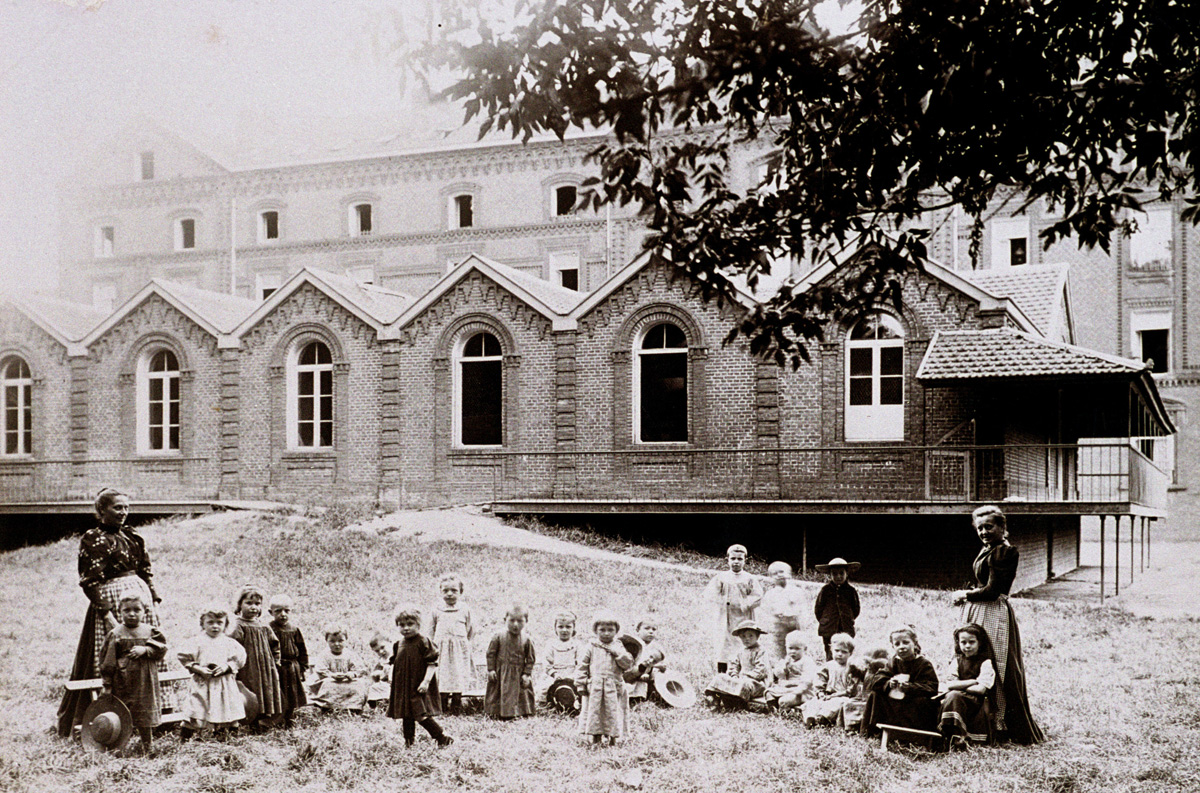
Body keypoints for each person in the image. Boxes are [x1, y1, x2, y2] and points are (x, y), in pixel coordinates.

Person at [58, 488, 172, 737]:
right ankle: (111, 715)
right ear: (101, 511)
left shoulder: (132, 536)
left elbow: (145, 569)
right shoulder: (94, 538)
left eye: (126, 508)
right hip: (111, 600)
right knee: (115, 653)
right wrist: (107, 613)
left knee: (146, 649)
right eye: (117, 508)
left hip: (140, 602)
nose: (123, 513)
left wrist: (153, 598)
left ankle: (153, 714)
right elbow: (90, 581)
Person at [951, 505, 1045, 744]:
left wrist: (966, 594)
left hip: (993, 613)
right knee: (971, 658)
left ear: (1002, 527)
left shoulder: (1005, 552)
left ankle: (999, 723)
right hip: (980, 610)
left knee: (995, 663)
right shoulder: (988, 550)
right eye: (980, 527)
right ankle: (970, 716)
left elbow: (994, 591)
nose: (983, 531)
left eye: (989, 527)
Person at [98, 595, 167, 754]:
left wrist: (146, 650)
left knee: (145, 714)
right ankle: (120, 747)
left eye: (137, 610)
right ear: (119, 612)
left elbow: (161, 649)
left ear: (145, 611)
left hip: (145, 681)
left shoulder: (150, 631)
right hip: (123, 681)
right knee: (122, 713)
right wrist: (107, 684)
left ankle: (148, 747)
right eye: (126, 610)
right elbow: (107, 661)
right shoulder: (116, 633)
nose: (132, 614)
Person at [177, 604, 246, 741]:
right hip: (202, 683)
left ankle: (227, 739)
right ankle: (184, 739)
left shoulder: (229, 643)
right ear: (202, 624)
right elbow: (185, 659)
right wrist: (199, 669)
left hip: (223, 685)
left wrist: (226, 668)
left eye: (219, 623)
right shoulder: (197, 642)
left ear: (226, 624)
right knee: (195, 709)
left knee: (227, 710)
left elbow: (239, 660)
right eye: (210, 622)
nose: (215, 626)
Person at [387, 605, 452, 747]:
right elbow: (393, 663)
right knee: (406, 715)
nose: (406, 628)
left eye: (410, 624)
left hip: (418, 685)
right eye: (401, 625)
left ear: (418, 624)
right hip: (404, 686)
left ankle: (441, 736)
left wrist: (426, 681)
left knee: (420, 714)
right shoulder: (398, 644)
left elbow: (432, 663)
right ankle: (409, 742)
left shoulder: (423, 641)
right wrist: (391, 676)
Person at [860, 626, 939, 736]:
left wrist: (910, 687)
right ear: (893, 646)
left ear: (915, 644)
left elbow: (932, 687)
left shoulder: (923, 664)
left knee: (923, 702)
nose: (901, 647)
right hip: (894, 703)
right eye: (897, 644)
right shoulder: (893, 662)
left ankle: (913, 735)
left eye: (905, 642)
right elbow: (877, 680)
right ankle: (872, 732)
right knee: (875, 695)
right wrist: (889, 684)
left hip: (913, 703)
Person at [228, 584, 282, 730]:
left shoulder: (263, 626)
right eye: (249, 603)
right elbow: (231, 646)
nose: (253, 607)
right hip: (248, 667)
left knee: (265, 690)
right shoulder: (237, 626)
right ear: (239, 605)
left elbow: (274, 644)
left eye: (257, 604)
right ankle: (249, 720)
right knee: (250, 691)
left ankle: (263, 720)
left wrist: (275, 662)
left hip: (265, 666)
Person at [576, 610, 634, 745]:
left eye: (610, 630)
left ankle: (613, 738)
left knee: (613, 712)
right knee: (595, 712)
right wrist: (580, 683)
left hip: (613, 686)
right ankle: (595, 738)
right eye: (602, 630)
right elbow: (582, 665)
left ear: (616, 631)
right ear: (595, 631)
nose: (606, 633)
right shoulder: (591, 646)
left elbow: (627, 665)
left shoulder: (618, 646)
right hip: (596, 686)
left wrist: (617, 653)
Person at [703, 544, 764, 673]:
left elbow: (758, 596)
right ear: (728, 559)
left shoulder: (749, 578)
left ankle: (742, 672)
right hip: (725, 618)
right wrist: (722, 601)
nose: (736, 562)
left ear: (745, 561)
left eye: (739, 559)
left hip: (743, 617)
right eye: (733, 559)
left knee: (742, 642)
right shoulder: (721, 578)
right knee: (723, 646)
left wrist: (747, 603)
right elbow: (710, 594)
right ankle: (722, 676)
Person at [938, 623, 997, 748]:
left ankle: (961, 737)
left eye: (972, 642)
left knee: (954, 695)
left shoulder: (985, 662)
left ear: (979, 643)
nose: (967, 646)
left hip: (976, 702)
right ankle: (947, 735)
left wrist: (958, 685)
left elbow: (981, 689)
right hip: (958, 698)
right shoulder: (957, 661)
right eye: (963, 642)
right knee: (952, 696)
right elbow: (950, 684)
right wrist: (972, 681)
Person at [429, 574, 475, 715]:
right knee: (442, 675)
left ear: (460, 592)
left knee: (458, 675)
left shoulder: (465, 609)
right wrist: (433, 647)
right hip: (441, 649)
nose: (449, 594)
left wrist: (465, 644)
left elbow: (471, 629)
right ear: (440, 591)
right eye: (445, 590)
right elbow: (431, 629)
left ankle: (456, 704)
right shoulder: (436, 609)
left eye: (454, 590)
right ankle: (441, 704)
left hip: (459, 649)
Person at [704, 620, 770, 710]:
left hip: (755, 683)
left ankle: (736, 702)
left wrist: (746, 676)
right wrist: (734, 675)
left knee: (743, 685)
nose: (747, 639)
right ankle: (714, 698)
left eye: (751, 636)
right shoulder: (740, 652)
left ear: (757, 636)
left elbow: (762, 669)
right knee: (720, 677)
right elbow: (734, 665)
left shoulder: (761, 651)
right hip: (740, 679)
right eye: (743, 636)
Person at [485, 605, 537, 719]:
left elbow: (530, 658)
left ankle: (521, 711)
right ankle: (497, 712)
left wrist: (527, 674)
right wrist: (491, 669)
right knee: (498, 692)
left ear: (526, 622)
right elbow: (491, 654)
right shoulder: (498, 636)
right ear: (505, 620)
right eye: (512, 620)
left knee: (521, 693)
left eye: (520, 621)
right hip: (501, 672)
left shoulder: (527, 639)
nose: (515, 624)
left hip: (518, 673)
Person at [801, 633, 861, 727]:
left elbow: (851, 690)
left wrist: (834, 696)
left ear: (850, 653)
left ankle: (822, 719)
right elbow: (820, 679)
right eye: (837, 650)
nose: (840, 654)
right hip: (827, 695)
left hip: (842, 695)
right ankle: (810, 717)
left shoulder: (852, 668)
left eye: (844, 652)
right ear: (831, 650)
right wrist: (820, 692)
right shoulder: (828, 666)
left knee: (838, 704)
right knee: (813, 703)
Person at [267, 594, 308, 728]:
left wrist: (303, 667)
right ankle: (278, 719)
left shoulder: (294, 629)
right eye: (278, 611)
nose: (283, 614)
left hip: (293, 667)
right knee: (280, 693)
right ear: (270, 612)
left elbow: (302, 649)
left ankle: (290, 718)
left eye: (287, 610)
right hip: (278, 667)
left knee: (292, 693)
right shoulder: (269, 629)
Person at [309, 623, 367, 712]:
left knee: (359, 684)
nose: (337, 644)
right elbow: (320, 670)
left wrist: (352, 674)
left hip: (347, 680)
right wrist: (331, 675)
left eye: (340, 641)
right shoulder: (324, 655)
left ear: (346, 640)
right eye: (332, 641)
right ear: (327, 641)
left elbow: (359, 668)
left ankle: (353, 706)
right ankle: (328, 706)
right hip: (330, 680)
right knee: (328, 684)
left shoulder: (350, 654)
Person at [813, 558, 861, 661]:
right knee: (830, 649)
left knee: (845, 649)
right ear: (830, 575)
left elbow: (856, 609)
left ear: (846, 574)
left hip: (845, 627)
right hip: (829, 627)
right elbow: (818, 609)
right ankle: (830, 670)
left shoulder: (850, 591)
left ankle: (845, 670)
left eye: (841, 573)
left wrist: (848, 618)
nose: (838, 576)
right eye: (834, 574)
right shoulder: (825, 590)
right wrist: (826, 620)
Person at [760, 561, 806, 665]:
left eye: (781, 572)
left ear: (789, 574)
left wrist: (801, 625)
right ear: (771, 578)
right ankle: (781, 668)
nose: (779, 575)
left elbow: (802, 609)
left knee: (796, 647)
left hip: (794, 624)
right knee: (780, 650)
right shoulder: (770, 594)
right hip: (778, 626)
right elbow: (766, 611)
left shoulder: (796, 591)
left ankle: (797, 668)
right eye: (775, 574)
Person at [766, 630, 817, 712]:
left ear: (805, 649)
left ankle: (787, 707)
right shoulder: (787, 660)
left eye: (797, 649)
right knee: (768, 693)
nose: (793, 651)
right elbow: (778, 674)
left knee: (783, 701)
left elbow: (808, 679)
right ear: (786, 647)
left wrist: (799, 690)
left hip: (799, 691)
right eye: (790, 648)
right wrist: (783, 669)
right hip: (785, 688)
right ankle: (773, 707)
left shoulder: (807, 661)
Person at [540, 611, 582, 709]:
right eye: (560, 627)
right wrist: (554, 674)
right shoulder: (551, 644)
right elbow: (546, 662)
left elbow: (581, 663)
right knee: (544, 688)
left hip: (571, 674)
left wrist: (573, 676)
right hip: (555, 674)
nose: (564, 630)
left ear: (574, 628)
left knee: (581, 686)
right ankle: (549, 703)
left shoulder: (577, 645)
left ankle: (573, 702)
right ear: (555, 628)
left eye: (568, 627)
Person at [626, 618, 667, 705]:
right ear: (637, 630)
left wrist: (659, 667)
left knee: (658, 677)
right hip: (633, 675)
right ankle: (633, 698)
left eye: (654, 629)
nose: (651, 632)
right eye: (647, 628)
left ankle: (656, 696)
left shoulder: (656, 647)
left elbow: (659, 662)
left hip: (649, 675)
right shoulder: (634, 646)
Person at [366, 633, 393, 710]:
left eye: (383, 647)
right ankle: (377, 704)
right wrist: (376, 675)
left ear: (390, 642)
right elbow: (376, 678)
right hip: (385, 683)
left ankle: (387, 703)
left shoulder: (397, 656)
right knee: (374, 687)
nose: (381, 652)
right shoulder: (381, 661)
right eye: (377, 651)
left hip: (398, 683)